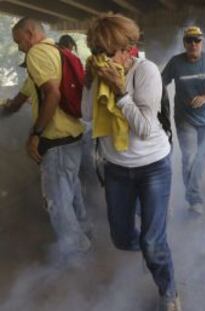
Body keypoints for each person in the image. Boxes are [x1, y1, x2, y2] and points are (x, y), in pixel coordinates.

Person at [82, 13, 180, 311]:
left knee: (152, 242)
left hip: (153, 167)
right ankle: (151, 251)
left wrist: (120, 91)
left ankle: (169, 292)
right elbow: (87, 115)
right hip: (116, 169)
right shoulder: (100, 74)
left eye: (108, 52)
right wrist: (90, 82)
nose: (103, 58)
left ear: (128, 49)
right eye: (97, 52)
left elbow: (146, 128)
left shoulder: (145, 71)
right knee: (122, 238)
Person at [10, 17, 91, 256]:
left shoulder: (37, 54)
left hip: (55, 141)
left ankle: (76, 252)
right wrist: (9, 106)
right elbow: (23, 96)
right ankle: (86, 232)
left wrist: (35, 134)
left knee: (57, 203)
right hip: (74, 136)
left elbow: (52, 94)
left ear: (30, 33)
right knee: (72, 192)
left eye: (19, 41)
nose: (19, 48)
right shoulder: (58, 52)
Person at [162, 26, 205, 214]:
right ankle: (194, 199)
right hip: (184, 119)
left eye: (197, 40)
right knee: (189, 158)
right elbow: (160, 82)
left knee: (202, 158)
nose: (193, 44)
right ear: (184, 43)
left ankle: (193, 191)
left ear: (202, 42)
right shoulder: (175, 63)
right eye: (189, 40)